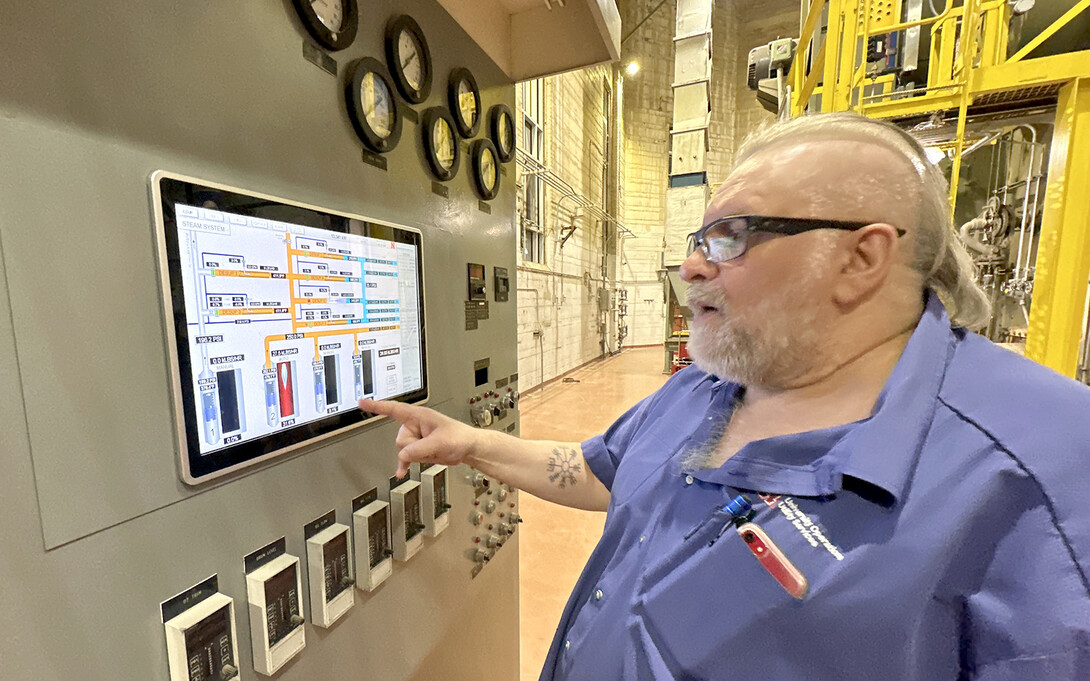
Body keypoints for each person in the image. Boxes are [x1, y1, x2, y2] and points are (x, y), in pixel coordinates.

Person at [362, 112, 1090, 680]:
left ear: (861, 257)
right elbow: (599, 472)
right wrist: (469, 441)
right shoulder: (706, 386)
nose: (691, 266)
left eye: (732, 236)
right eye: (700, 237)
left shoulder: (1043, 470)